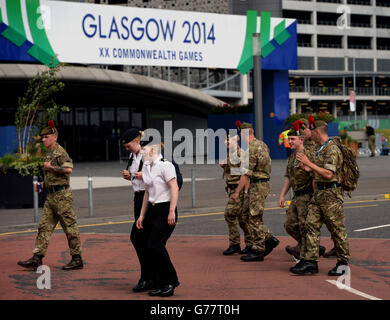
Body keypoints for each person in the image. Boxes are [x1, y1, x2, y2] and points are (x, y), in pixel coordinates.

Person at [18, 121, 83, 271]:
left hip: (62, 196)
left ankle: (77, 258)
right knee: (44, 227)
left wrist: (51, 167)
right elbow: (53, 175)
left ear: (55, 136)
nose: (43, 140)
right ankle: (37, 258)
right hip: (51, 195)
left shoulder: (60, 152)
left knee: (69, 227)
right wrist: (43, 184)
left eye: (46, 137)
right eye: (42, 137)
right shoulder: (49, 152)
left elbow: (68, 169)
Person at [290, 120, 350, 276]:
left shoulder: (332, 149)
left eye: (312, 131)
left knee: (336, 230)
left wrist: (310, 163)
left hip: (331, 195)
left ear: (317, 131)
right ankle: (310, 261)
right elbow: (319, 171)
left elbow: (329, 174)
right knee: (310, 225)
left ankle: (343, 263)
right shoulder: (320, 149)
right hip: (319, 194)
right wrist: (308, 168)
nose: (310, 135)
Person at [136, 143, 180, 297]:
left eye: (145, 149)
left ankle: (170, 282)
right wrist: (142, 215)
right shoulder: (147, 166)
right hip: (153, 210)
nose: (142, 151)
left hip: (165, 209)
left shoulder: (165, 166)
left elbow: (174, 187)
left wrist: (171, 210)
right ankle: (161, 282)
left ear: (153, 151)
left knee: (156, 244)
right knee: (151, 246)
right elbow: (147, 193)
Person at [232, 122, 279, 262]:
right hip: (258, 184)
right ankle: (268, 239)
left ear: (245, 133)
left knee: (254, 217)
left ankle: (259, 248)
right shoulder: (262, 144)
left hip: (258, 185)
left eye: (241, 133)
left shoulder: (251, 148)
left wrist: (237, 192)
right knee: (246, 214)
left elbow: (246, 174)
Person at [279, 120, 325, 261]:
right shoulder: (292, 157)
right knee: (290, 225)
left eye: (292, 139)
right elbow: (288, 177)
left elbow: (316, 177)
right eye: (289, 139)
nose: (290, 142)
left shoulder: (309, 154)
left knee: (305, 227)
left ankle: (307, 256)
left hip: (307, 195)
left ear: (301, 139)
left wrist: (315, 198)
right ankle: (310, 247)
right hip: (297, 197)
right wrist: (282, 196)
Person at [121, 128, 154, 292]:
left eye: (128, 146)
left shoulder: (148, 154)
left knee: (140, 237)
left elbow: (154, 177)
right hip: (138, 198)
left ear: (136, 141)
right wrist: (130, 177)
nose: (127, 149)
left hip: (147, 199)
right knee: (141, 239)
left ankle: (148, 277)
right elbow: (136, 178)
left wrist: (136, 175)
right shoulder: (132, 156)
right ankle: (148, 275)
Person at [220, 133, 252, 255]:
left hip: (238, 190)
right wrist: (224, 166)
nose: (225, 143)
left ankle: (235, 244)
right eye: (225, 140)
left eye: (228, 140)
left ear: (236, 141)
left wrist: (244, 193)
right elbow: (233, 171)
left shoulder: (241, 154)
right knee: (242, 218)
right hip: (232, 189)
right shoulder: (231, 154)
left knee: (229, 214)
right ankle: (249, 244)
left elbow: (246, 175)